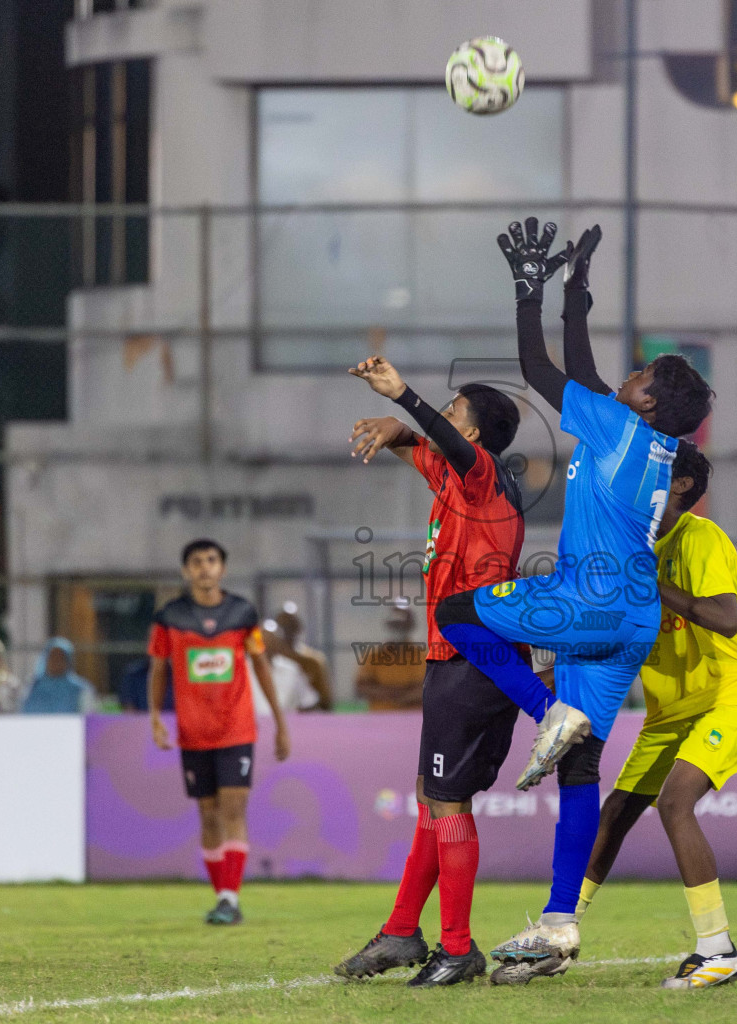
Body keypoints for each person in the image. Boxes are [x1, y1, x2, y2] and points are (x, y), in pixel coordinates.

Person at [430, 220, 714, 973]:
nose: (628, 376)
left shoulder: (617, 426)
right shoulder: (654, 447)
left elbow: (539, 365)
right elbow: (584, 371)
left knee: (455, 612)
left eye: (642, 375)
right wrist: (576, 288)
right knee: (582, 764)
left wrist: (529, 289)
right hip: (634, 618)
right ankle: (559, 924)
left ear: (647, 403)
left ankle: (543, 709)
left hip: (586, 602)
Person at [538, 444, 737, 989]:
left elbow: (723, 618)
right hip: (669, 710)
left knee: (674, 802)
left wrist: (649, 586)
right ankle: (558, 932)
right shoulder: (631, 548)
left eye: (655, 473)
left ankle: (718, 951)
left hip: (732, 693)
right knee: (616, 811)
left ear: (683, 487)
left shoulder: (700, 537)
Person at [333, 351, 526, 987]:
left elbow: (448, 445)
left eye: (452, 413)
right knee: (433, 796)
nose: (443, 420)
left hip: (478, 655)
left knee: (446, 800)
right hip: (451, 656)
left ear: (470, 434)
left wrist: (403, 399)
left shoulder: (484, 476)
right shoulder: (450, 476)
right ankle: (399, 933)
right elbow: (427, 447)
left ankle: (458, 947)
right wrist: (402, 431)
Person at [148, 539, 290, 926]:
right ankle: (222, 897)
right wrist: (156, 718)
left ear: (222, 568)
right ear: (186, 571)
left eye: (211, 560)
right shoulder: (170, 616)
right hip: (193, 732)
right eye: (196, 562)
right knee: (207, 815)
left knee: (233, 808)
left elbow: (261, 667)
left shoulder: (243, 612)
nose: (204, 568)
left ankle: (230, 896)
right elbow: (159, 668)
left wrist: (279, 721)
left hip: (236, 729)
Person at [254, 604, 333, 716]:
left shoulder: (298, 666)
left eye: (291, 626)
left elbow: (314, 701)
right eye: (284, 626)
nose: (288, 631)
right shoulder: (244, 668)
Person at [351, 601, 426, 711]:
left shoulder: (423, 656)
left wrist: (403, 697)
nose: (398, 629)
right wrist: (392, 694)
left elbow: (428, 688)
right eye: (395, 624)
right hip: (380, 718)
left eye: (402, 625)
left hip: (414, 718)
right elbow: (361, 687)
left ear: (410, 625)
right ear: (387, 625)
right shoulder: (373, 656)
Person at [22, 638, 99, 714]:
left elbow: (88, 716)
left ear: (68, 661)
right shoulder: (32, 686)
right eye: (52, 657)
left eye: (61, 658)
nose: (56, 662)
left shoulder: (81, 689)